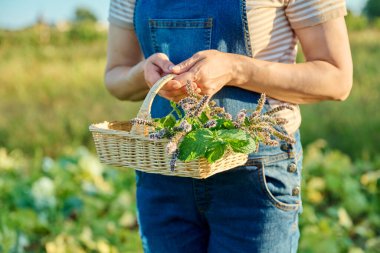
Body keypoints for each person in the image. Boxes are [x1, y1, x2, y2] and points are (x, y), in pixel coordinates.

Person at [105, 0, 352, 252]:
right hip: (163, 170)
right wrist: (145, 74)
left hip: (254, 174)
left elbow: (336, 79)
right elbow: (115, 76)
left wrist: (236, 70)